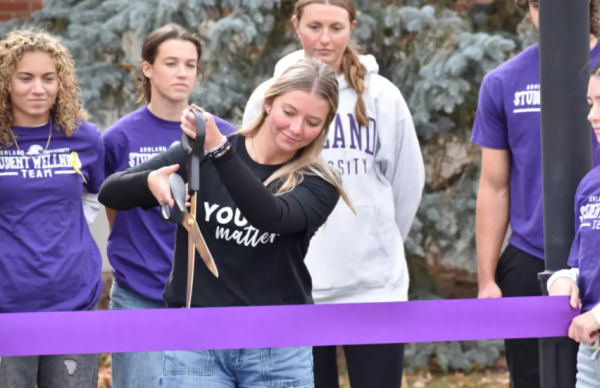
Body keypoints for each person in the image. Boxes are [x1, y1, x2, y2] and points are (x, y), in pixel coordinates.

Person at [98, 56, 349, 388]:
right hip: (197, 340)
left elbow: (271, 216)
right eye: (289, 113)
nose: (297, 128)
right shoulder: (199, 156)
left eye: (313, 122)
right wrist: (149, 183)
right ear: (269, 103)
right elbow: (109, 192)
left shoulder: (319, 181)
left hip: (278, 345)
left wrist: (219, 149)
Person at [242, 1, 424, 387]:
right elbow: (251, 182)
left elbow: (407, 184)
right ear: (296, 25)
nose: (325, 38)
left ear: (352, 27)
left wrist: (381, 242)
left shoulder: (383, 96)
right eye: (314, 26)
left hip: (374, 288)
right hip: (294, 288)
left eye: (336, 27)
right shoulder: (268, 96)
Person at [471, 1, 600, 387]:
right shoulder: (503, 81)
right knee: (530, 379)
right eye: (538, 2)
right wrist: (486, 279)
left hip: (595, 252)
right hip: (531, 259)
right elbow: (494, 185)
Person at [101, 23, 236, 388]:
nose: (182, 73)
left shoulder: (222, 134)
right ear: (147, 68)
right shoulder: (117, 138)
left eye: (190, 65)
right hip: (139, 293)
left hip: (204, 295)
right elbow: (113, 205)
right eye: (171, 63)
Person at [0, 29, 104, 387]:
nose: (38, 89)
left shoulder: (84, 137)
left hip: (72, 300)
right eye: (25, 78)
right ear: (6, 83)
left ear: (61, 82)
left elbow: (95, 195)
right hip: (7, 305)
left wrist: (65, 230)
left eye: (48, 78)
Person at [548, 63, 600, 388]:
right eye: (591, 102)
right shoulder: (590, 185)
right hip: (591, 354)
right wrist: (562, 281)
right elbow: (582, 264)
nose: (591, 115)